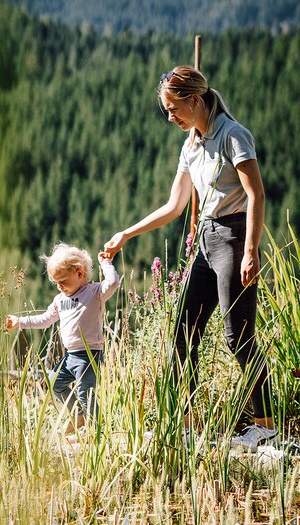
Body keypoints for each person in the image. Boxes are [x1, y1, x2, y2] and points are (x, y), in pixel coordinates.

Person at [104, 66, 277, 451]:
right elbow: (174, 205)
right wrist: (126, 234)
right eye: (166, 110)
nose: (170, 117)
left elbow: (256, 196)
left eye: (173, 108)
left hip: (233, 237)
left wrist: (251, 251)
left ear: (194, 100)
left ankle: (265, 426)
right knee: (183, 334)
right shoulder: (191, 145)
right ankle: (184, 425)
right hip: (206, 241)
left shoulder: (234, 136)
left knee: (238, 336)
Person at [6, 242, 119, 434]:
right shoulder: (60, 300)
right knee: (54, 382)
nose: (59, 287)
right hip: (70, 356)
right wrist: (20, 321)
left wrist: (106, 263)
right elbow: (44, 320)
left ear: (80, 273)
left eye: (63, 281)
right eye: (55, 283)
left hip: (89, 355)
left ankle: (97, 432)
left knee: (86, 393)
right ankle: (79, 415)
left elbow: (113, 282)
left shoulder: (94, 293)